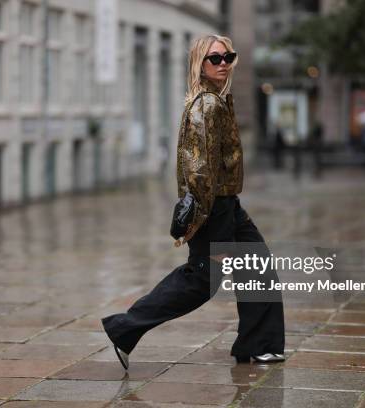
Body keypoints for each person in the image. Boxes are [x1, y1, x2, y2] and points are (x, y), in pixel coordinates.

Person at [101, 34, 285, 369]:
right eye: (214, 59)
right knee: (200, 281)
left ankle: (259, 345)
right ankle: (124, 328)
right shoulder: (207, 105)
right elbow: (199, 167)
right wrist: (199, 216)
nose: (223, 64)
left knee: (256, 265)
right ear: (198, 64)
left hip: (228, 203)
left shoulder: (216, 100)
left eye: (227, 57)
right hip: (214, 207)